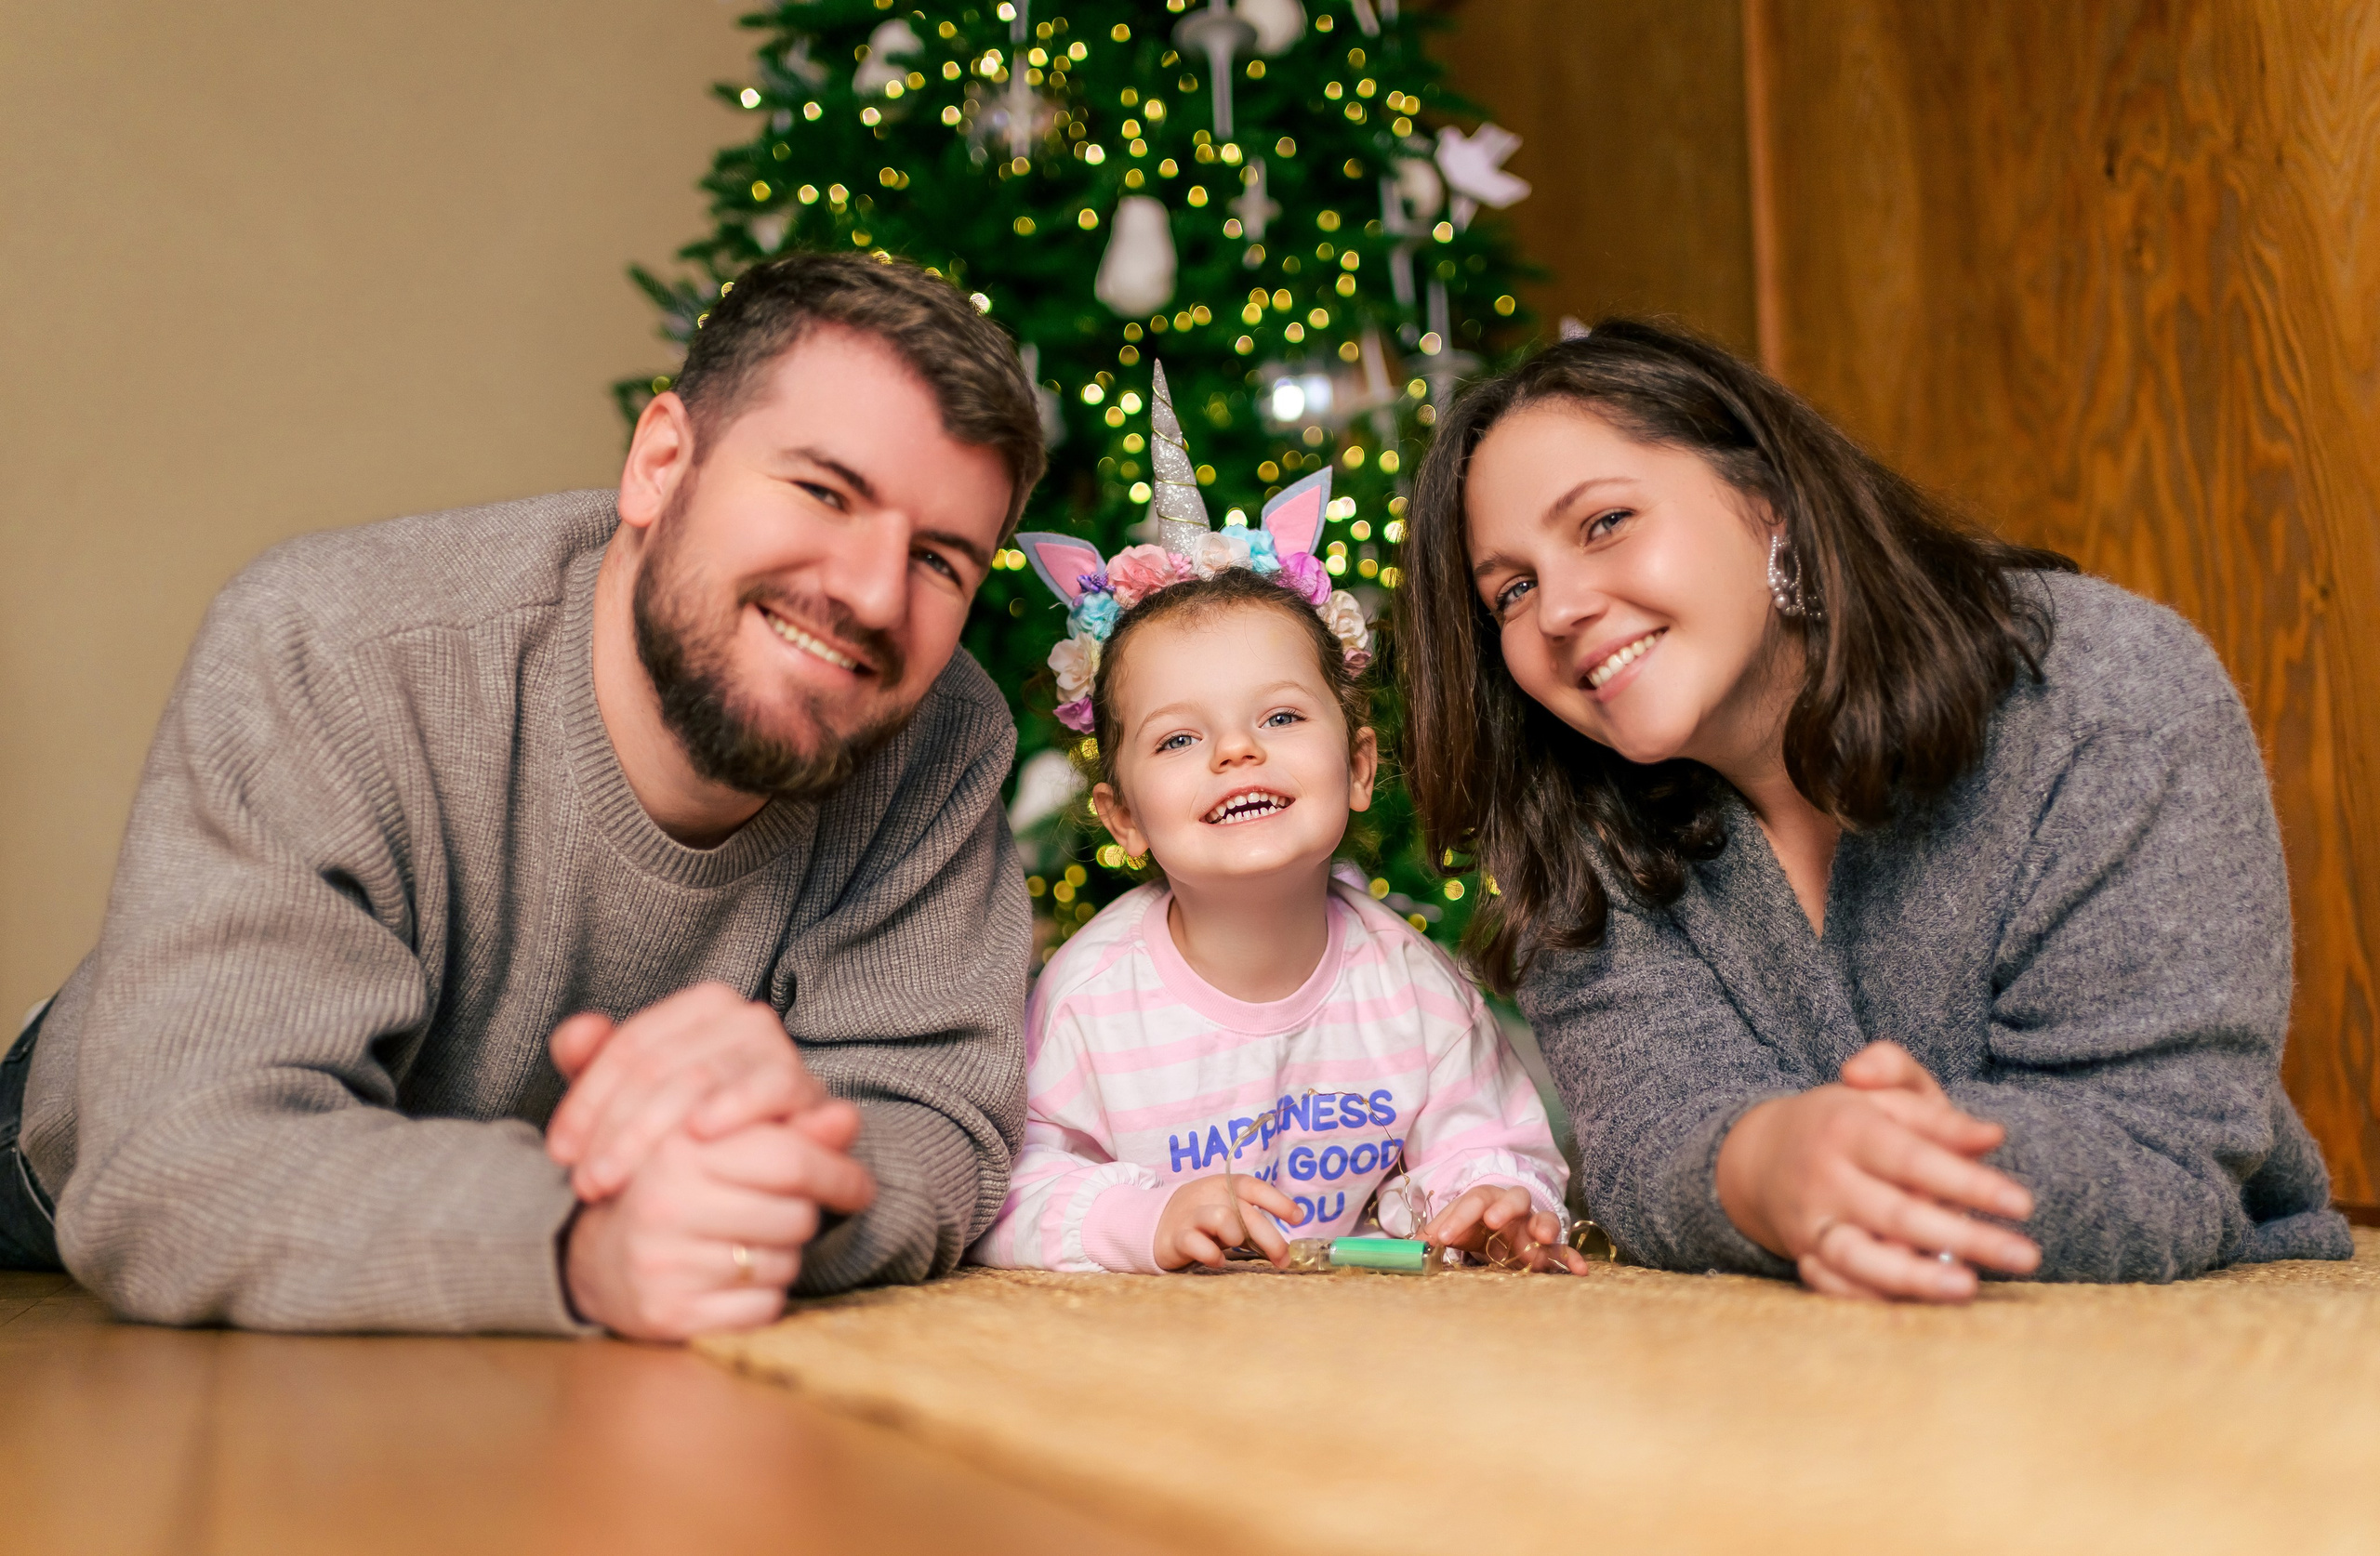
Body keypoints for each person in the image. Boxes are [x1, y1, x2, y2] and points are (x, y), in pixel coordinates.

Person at [0, 252, 1046, 1338]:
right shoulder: (336, 642)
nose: (872, 595)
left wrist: (771, 1173)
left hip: (547, 1280)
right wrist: (582, 1241)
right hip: (72, 1177)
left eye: (940, 561)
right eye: (825, 491)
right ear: (659, 462)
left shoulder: (940, 731)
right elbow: (174, 1168)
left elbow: (935, 1116)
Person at [1396, 319, 2352, 1301]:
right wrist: (1763, 1166)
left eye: (1604, 524)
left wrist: (1877, 1168)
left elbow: (2158, 1144)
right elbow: (1648, 1137)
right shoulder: (1575, 821)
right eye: (1510, 590)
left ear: (1769, 499)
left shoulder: (2102, 692)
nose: (1556, 610)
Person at [969, 368, 1578, 1275]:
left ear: (1360, 767)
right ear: (1122, 816)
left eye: (1281, 718)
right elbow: (1006, 1188)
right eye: (1179, 739)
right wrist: (1146, 1217)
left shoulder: (1415, 990)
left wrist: (1488, 1204)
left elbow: (1488, 1146)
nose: (1235, 753)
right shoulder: (1087, 1003)